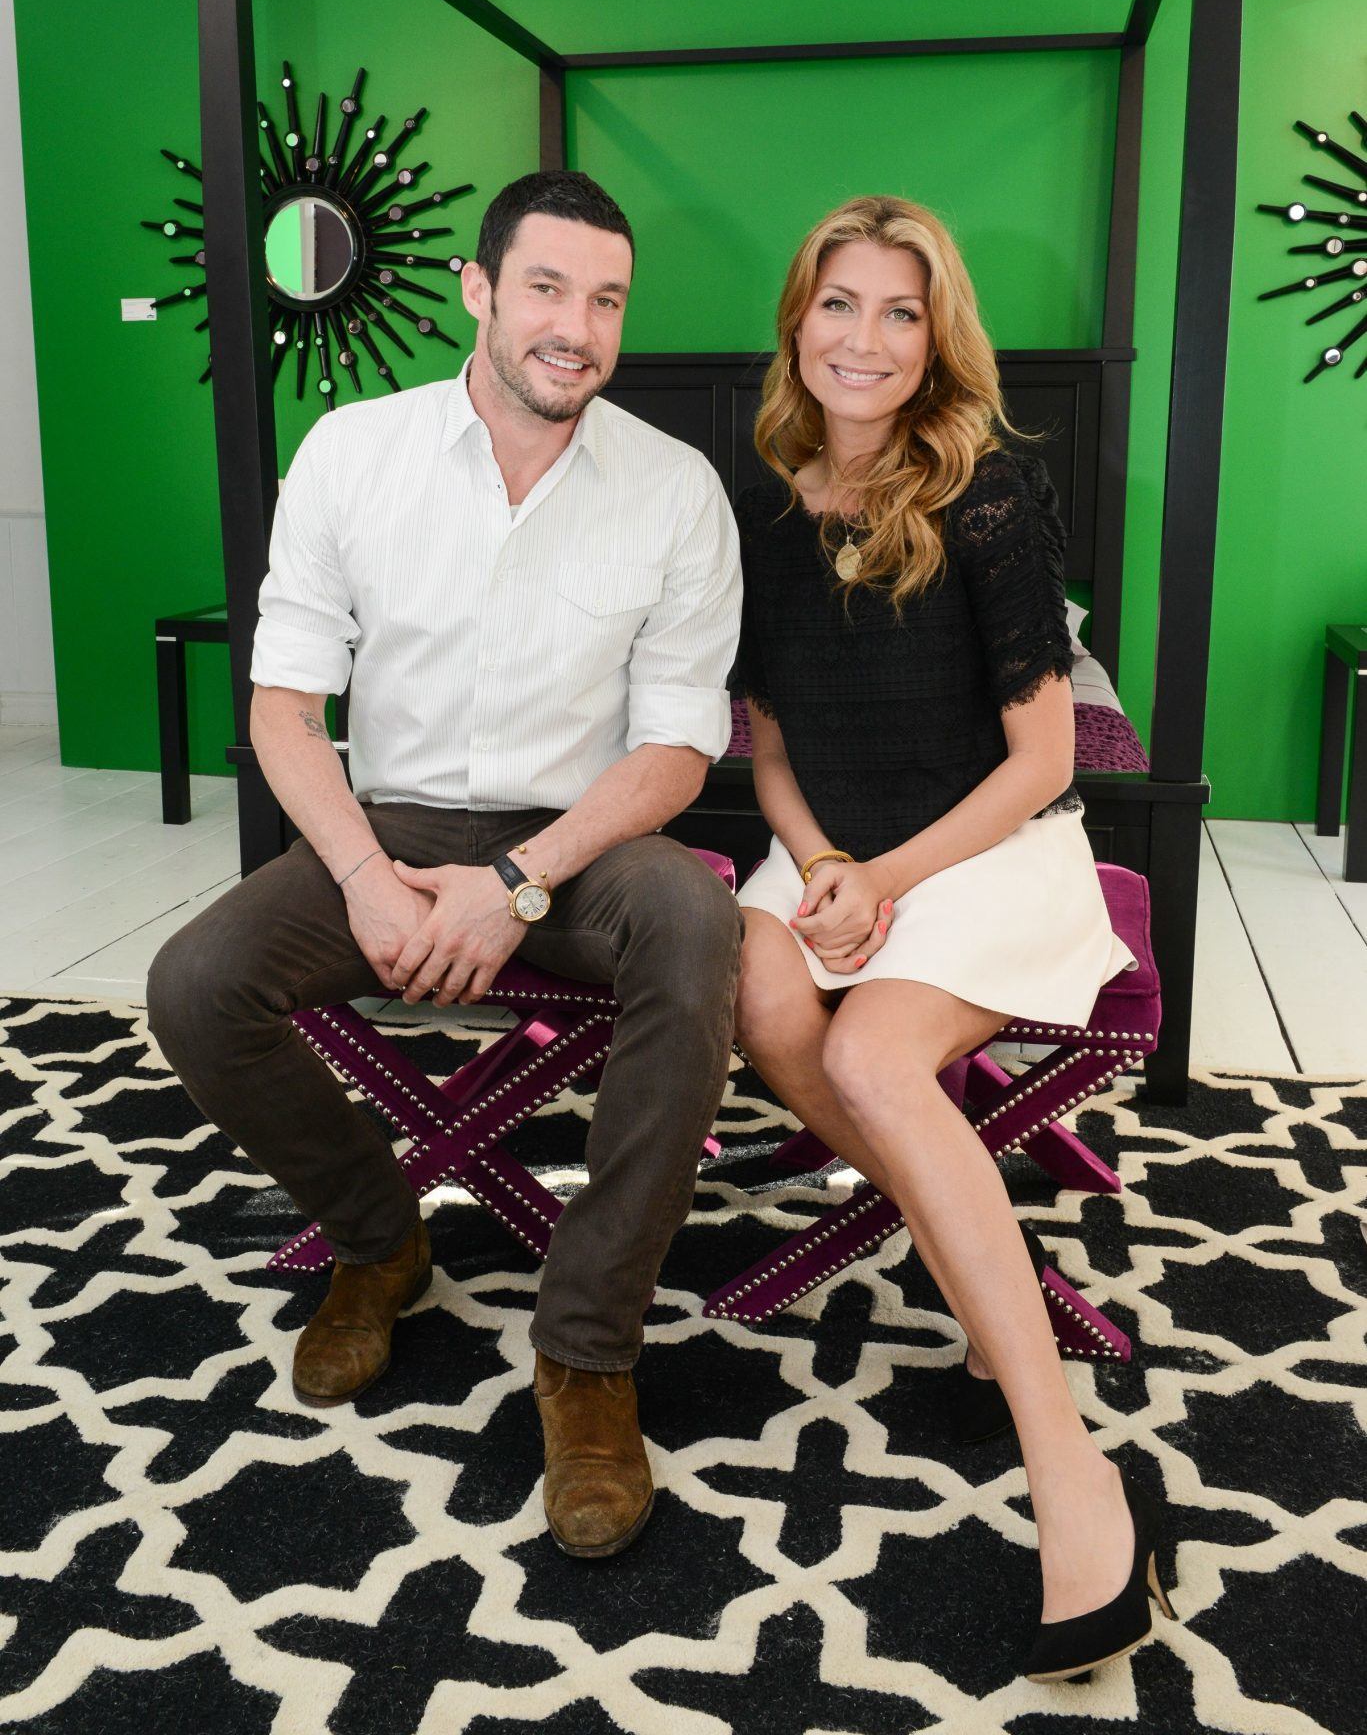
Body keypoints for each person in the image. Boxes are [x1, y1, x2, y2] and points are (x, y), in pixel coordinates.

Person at [147, 169, 743, 1561]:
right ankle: (379, 1237)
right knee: (195, 983)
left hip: (584, 842)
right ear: (478, 290)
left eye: (606, 300)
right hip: (395, 832)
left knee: (699, 931)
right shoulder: (354, 452)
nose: (576, 327)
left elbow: (676, 748)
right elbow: (284, 708)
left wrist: (522, 880)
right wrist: (364, 876)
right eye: (546, 287)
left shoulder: (675, 488)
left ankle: (586, 1348)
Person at [729, 194, 1175, 1681]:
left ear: (936, 340)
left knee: (871, 1055)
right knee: (760, 1001)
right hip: (836, 851)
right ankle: (977, 1261)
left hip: (985, 850)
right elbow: (769, 745)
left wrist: (887, 877)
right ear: (799, 319)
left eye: (900, 313)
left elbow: (1043, 760)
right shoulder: (764, 507)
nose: (864, 339)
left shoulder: (985, 491)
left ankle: (1074, 1475)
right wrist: (820, 863)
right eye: (839, 303)